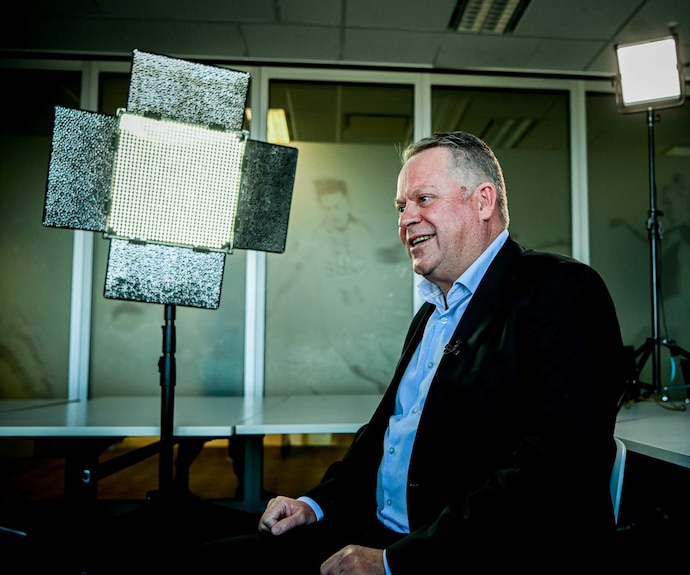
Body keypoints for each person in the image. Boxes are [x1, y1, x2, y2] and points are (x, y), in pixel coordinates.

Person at [189, 130, 627, 574]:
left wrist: (392, 562)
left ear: (483, 202)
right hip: (376, 534)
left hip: (456, 559)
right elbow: (384, 435)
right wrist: (314, 504)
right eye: (401, 207)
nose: (405, 220)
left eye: (423, 199)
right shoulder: (432, 314)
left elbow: (554, 472)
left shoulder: (563, 291)